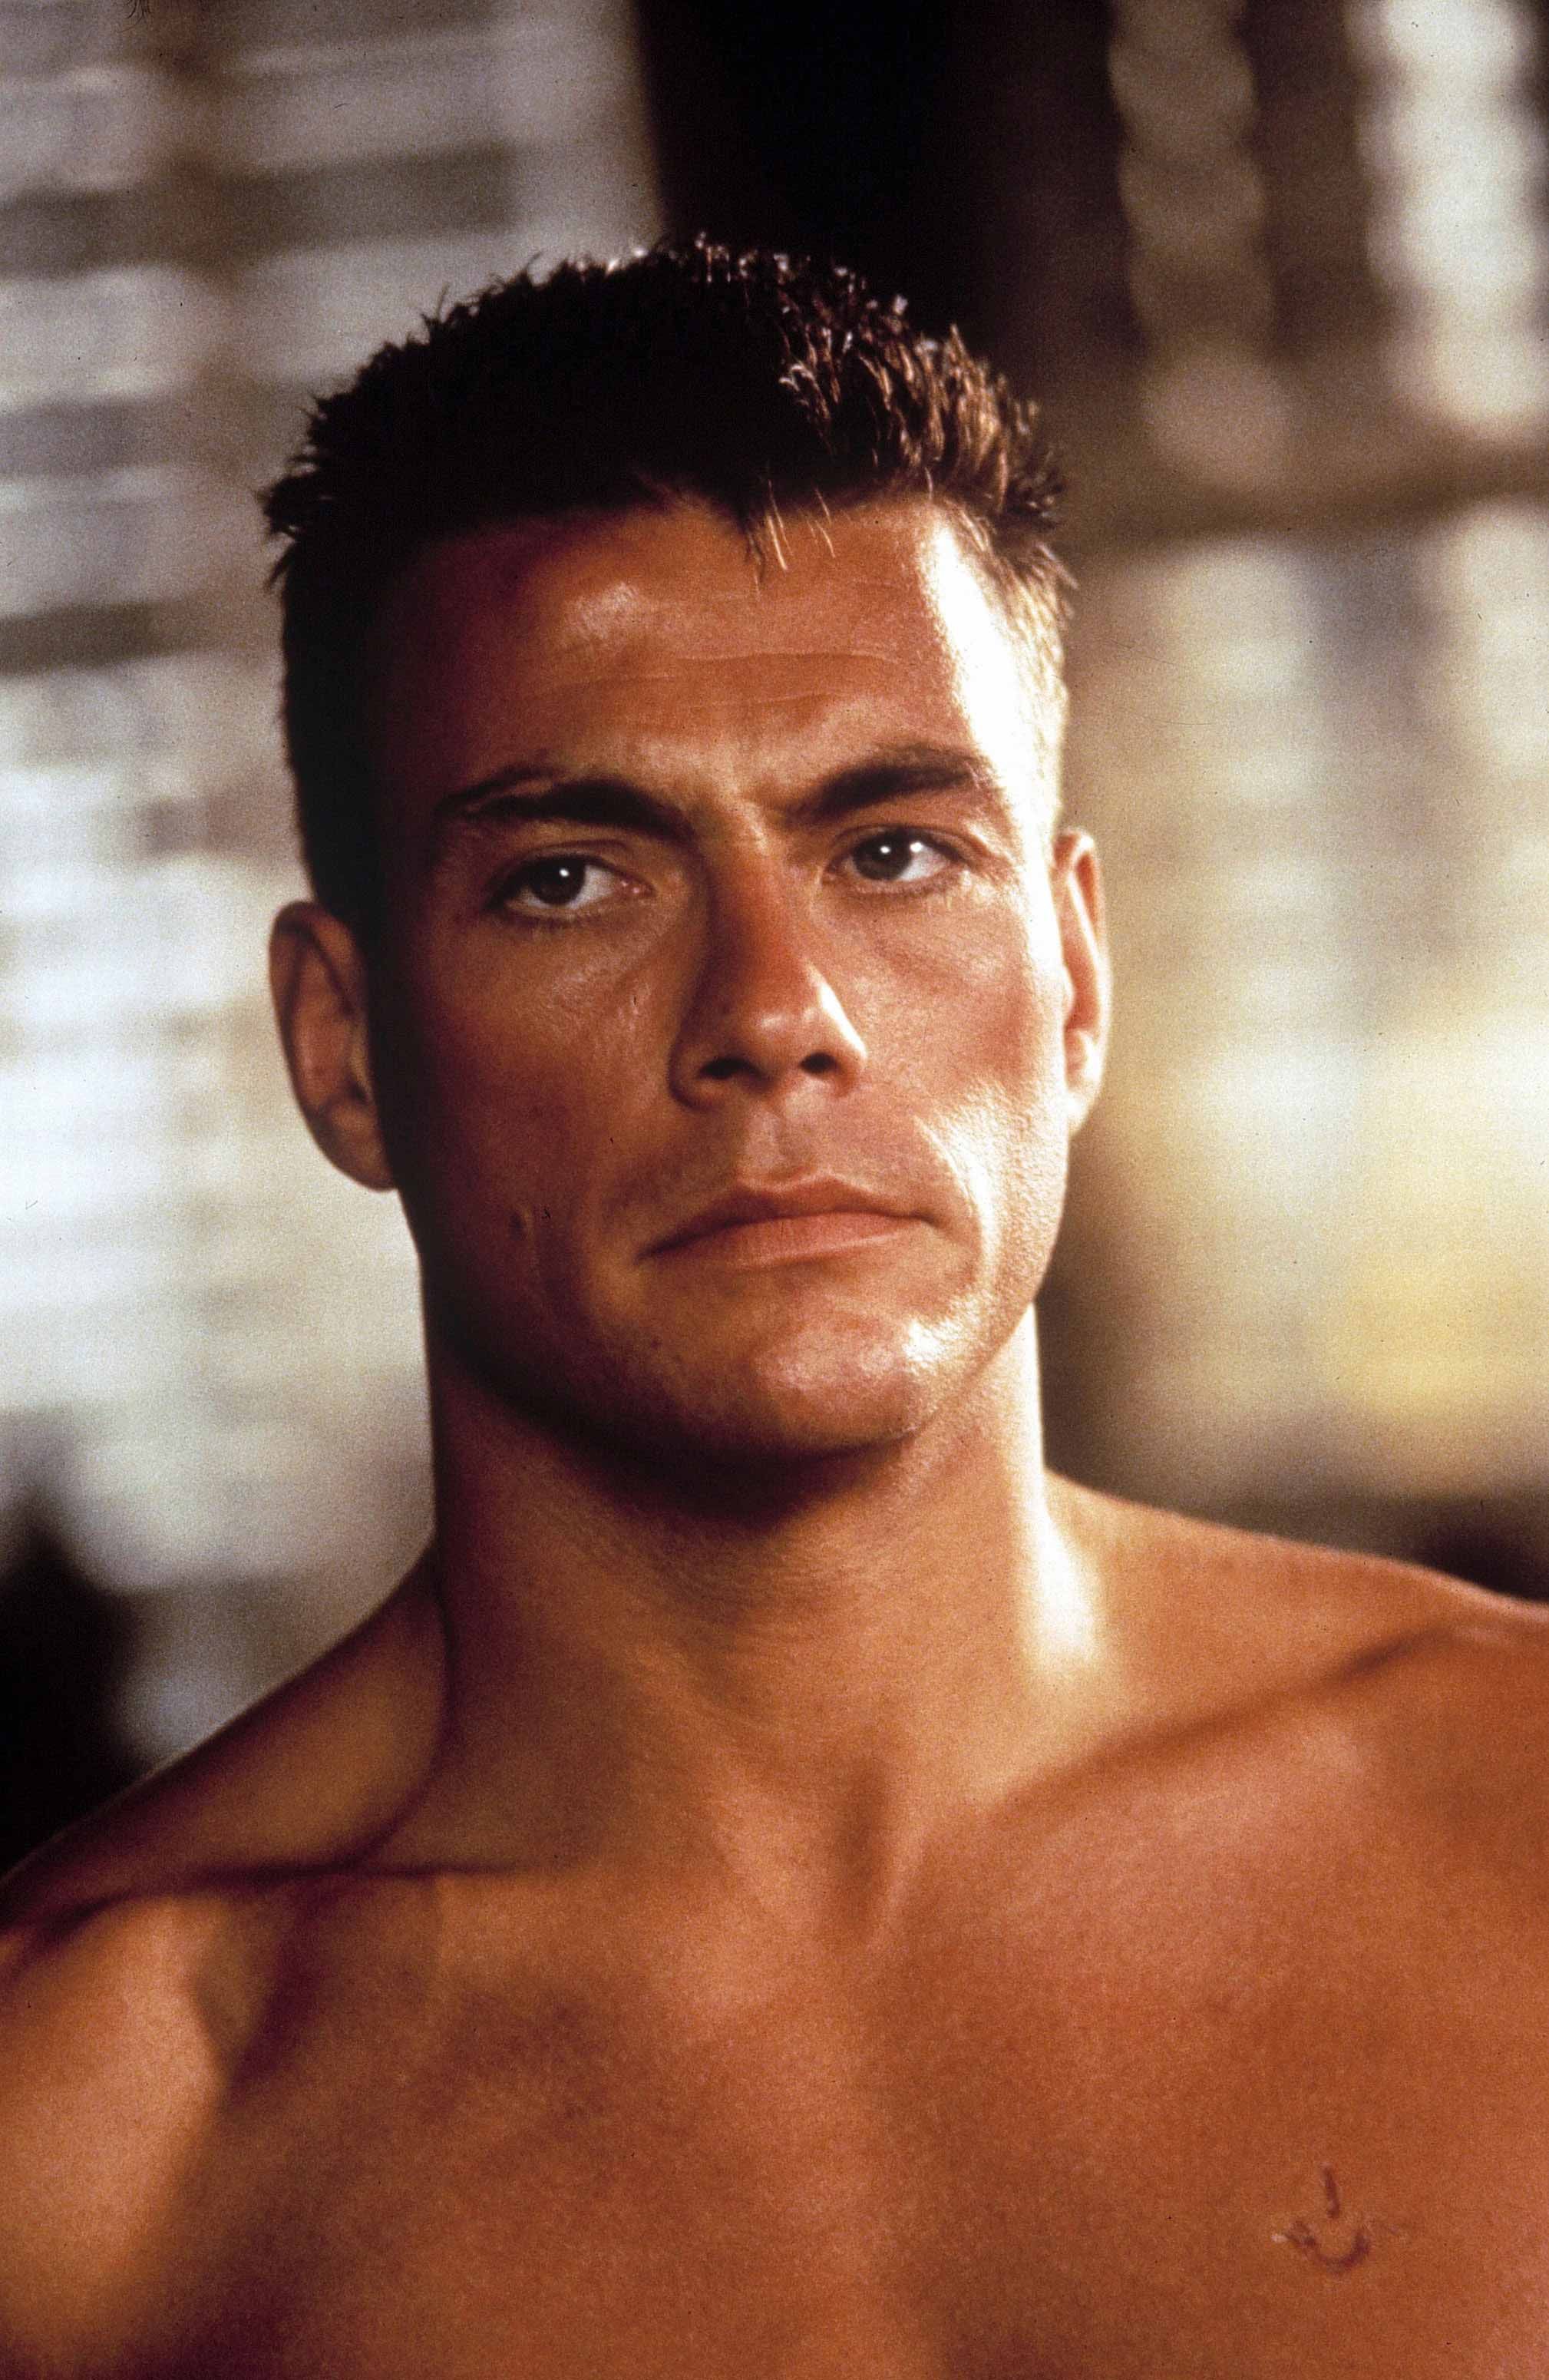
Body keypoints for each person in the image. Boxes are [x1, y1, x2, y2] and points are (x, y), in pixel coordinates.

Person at [2, 238, 1546, 2379]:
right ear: (343, 1051)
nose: (773, 1012)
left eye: (893, 851)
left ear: (1075, 980)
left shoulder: (1518, 1820)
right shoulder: (85, 2134)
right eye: (571, 878)